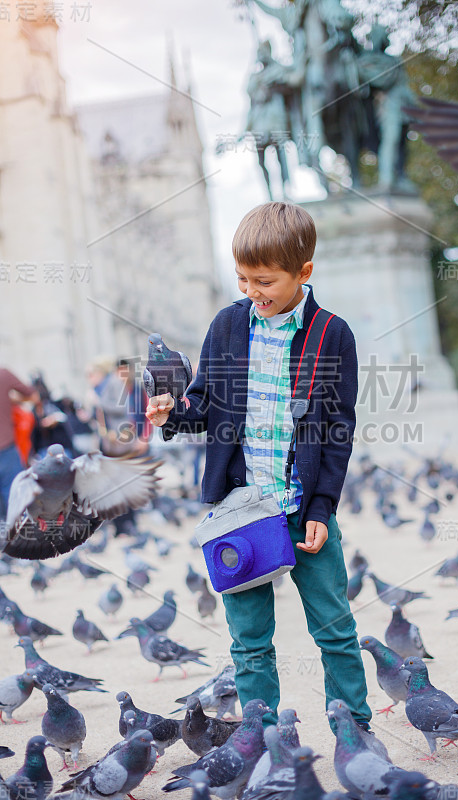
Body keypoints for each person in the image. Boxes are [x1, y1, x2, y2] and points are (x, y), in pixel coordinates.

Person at [146, 201, 371, 732]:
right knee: (249, 639)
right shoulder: (227, 325)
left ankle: (354, 729)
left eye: (264, 280)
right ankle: (260, 736)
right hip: (240, 511)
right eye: (243, 278)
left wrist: (322, 505)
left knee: (334, 629)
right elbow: (202, 405)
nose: (251, 291)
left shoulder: (331, 335)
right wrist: (171, 414)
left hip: (302, 508)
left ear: (304, 274)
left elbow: (338, 431)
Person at [0, 368, 38, 518]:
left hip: (7, 450)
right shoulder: (3, 374)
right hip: (6, 448)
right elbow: (33, 396)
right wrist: (10, 400)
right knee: (17, 500)